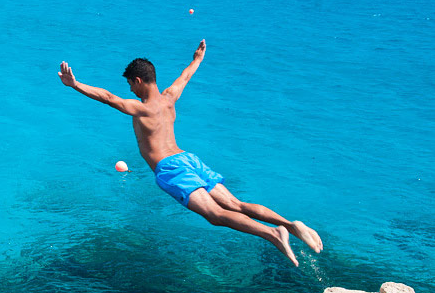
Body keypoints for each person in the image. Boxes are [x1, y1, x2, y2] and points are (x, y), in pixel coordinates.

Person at [58, 40, 322, 266]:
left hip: (171, 168)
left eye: (130, 84)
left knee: (215, 215)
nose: (129, 90)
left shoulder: (142, 108)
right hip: (189, 159)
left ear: (138, 80)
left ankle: (274, 234)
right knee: (236, 204)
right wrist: (197, 59)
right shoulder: (169, 98)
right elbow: (185, 76)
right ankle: (290, 225)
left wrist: (75, 84)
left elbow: (108, 97)